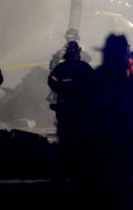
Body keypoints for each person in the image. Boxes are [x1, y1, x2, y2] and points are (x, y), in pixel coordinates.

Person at [88, 34, 133, 208]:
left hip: (102, 146)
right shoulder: (132, 79)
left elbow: (87, 110)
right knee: (123, 191)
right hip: (123, 146)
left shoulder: (96, 77)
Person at [48, 41, 94, 178]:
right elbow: (52, 80)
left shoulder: (67, 67)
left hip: (73, 108)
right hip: (71, 108)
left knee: (69, 137)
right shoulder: (78, 67)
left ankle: (69, 165)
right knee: (71, 137)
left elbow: (52, 81)